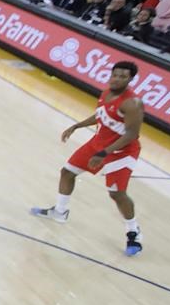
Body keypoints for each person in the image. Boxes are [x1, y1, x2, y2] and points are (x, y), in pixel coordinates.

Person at [31, 61, 145, 256]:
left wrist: (105, 152)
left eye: (122, 76)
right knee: (67, 172)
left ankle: (133, 232)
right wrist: (77, 126)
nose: (117, 79)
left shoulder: (132, 103)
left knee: (116, 193)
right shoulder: (106, 92)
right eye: (115, 75)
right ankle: (60, 211)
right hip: (99, 143)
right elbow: (101, 115)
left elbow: (131, 134)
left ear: (130, 79)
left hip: (122, 151)